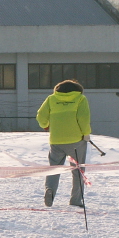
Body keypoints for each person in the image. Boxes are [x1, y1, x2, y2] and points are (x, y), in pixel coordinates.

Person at [35, 79, 91, 208]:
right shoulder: (81, 99)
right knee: (78, 170)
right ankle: (75, 200)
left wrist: (45, 125)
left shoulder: (51, 99)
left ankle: (50, 190)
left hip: (56, 140)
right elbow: (83, 118)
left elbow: (40, 116)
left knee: (54, 168)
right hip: (76, 140)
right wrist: (86, 133)